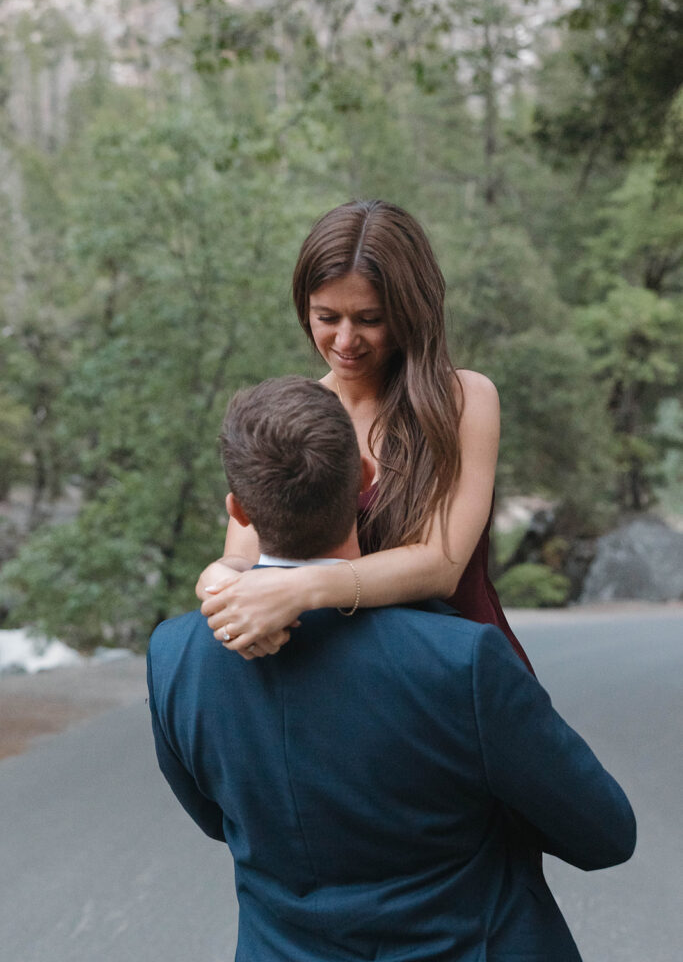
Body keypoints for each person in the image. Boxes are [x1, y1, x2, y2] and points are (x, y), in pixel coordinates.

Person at [148, 376, 636, 962]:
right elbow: (606, 834)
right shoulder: (461, 661)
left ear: (238, 509)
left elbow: (216, 819)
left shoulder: (175, 654)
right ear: (363, 479)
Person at [198, 199, 533, 669]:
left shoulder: (463, 400)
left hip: (459, 672)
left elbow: (441, 564)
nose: (345, 341)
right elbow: (239, 558)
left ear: (410, 311)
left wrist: (297, 590)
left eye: (370, 319)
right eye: (327, 317)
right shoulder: (294, 417)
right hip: (353, 677)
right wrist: (220, 587)